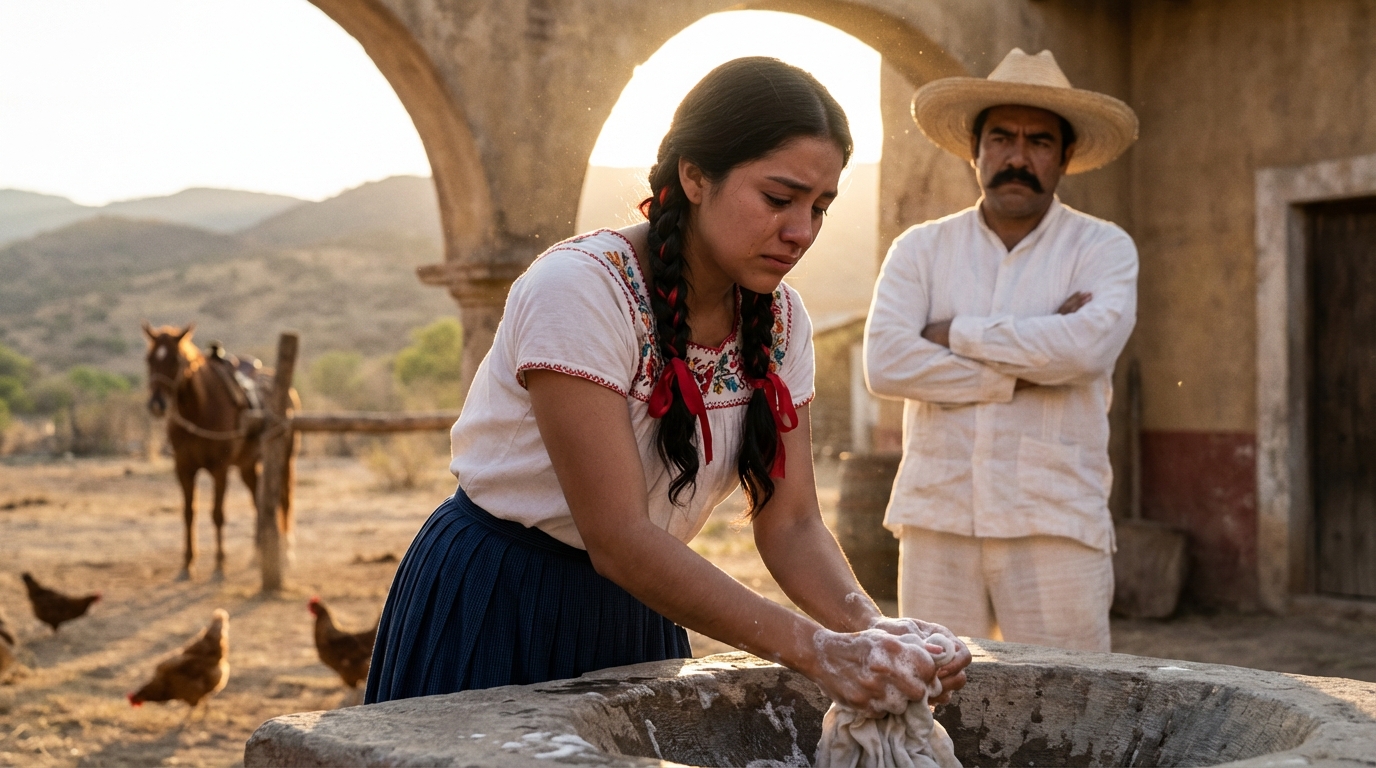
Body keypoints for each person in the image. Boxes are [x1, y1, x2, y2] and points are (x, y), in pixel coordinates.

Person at [365, 57, 971, 716]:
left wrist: (869, 629)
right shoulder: (581, 290)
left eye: (820, 207)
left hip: (643, 607)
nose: (801, 232)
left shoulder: (782, 318)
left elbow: (792, 523)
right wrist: (814, 648)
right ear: (694, 176)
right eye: (778, 198)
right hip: (501, 598)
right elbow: (620, 537)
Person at [864, 48, 1140, 652]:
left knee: (1070, 707)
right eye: (1001, 138)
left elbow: (1086, 350)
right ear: (974, 148)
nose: (1018, 157)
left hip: (1055, 517)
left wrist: (955, 331)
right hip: (938, 514)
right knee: (934, 700)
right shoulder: (920, 250)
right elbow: (885, 362)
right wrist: (1022, 369)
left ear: (1066, 156)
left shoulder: (1102, 248)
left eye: (1039, 141)